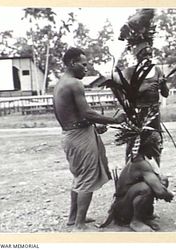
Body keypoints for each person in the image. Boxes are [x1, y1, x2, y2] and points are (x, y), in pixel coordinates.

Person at [53, 47, 125, 230]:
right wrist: (114, 120)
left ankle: (73, 218)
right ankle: (79, 223)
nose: (87, 68)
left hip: (71, 134)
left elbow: (74, 116)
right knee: (87, 178)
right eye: (83, 64)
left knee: (79, 177)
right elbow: (86, 112)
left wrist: (91, 125)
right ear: (72, 63)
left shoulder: (61, 83)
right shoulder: (75, 83)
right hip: (78, 137)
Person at [98, 132, 174, 232]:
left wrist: (163, 187)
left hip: (125, 204)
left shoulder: (143, 158)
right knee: (144, 188)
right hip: (122, 209)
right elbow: (160, 191)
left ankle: (144, 216)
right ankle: (136, 221)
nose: (161, 147)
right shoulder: (140, 163)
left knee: (161, 180)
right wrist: (169, 194)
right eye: (158, 143)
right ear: (148, 145)